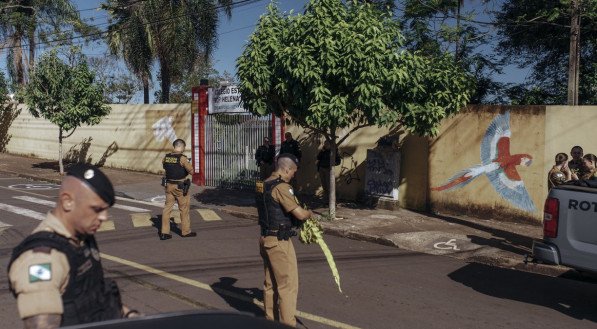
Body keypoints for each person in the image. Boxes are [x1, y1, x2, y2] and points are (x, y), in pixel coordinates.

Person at [7, 163, 141, 328]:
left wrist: (130, 315)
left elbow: (96, 298)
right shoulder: (41, 259)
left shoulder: (82, 237)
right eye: (97, 209)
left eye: (106, 210)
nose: (104, 217)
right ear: (67, 201)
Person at [255, 153, 313, 327]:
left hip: (265, 238)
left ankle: (270, 322)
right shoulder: (281, 187)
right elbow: (300, 214)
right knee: (287, 287)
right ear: (286, 169)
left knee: (270, 284)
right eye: (293, 171)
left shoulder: (261, 184)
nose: (294, 175)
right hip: (279, 242)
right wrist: (310, 213)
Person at [160, 138, 195, 240]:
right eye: (184, 147)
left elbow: (166, 168)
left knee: (167, 209)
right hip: (180, 187)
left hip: (169, 186)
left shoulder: (166, 157)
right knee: (183, 209)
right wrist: (187, 163)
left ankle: (164, 233)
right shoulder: (183, 158)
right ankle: (185, 232)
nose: (184, 149)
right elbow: (192, 171)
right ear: (181, 146)